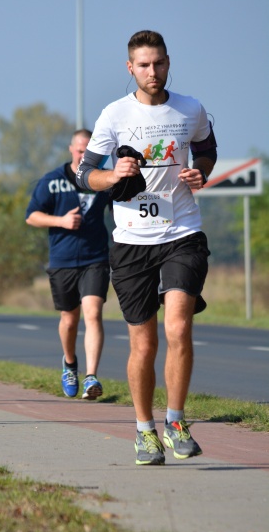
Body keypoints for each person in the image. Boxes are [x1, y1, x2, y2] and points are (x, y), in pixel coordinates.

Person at [76, 30, 217, 465]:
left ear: (168, 62)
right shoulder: (114, 114)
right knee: (144, 344)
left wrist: (201, 172)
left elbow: (207, 150)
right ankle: (144, 430)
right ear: (130, 68)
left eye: (158, 63)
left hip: (182, 232)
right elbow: (85, 174)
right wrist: (113, 175)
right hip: (131, 241)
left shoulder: (191, 108)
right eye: (143, 65)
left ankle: (175, 421)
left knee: (178, 327)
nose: (152, 71)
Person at [26, 129, 111, 400]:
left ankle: (91, 377)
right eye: (80, 150)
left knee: (93, 313)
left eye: (89, 151)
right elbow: (32, 216)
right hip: (62, 260)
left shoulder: (105, 179)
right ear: (71, 149)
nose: (84, 155)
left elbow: (123, 208)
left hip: (95, 258)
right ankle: (70, 363)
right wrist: (61, 221)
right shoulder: (52, 181)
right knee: (69, 319)